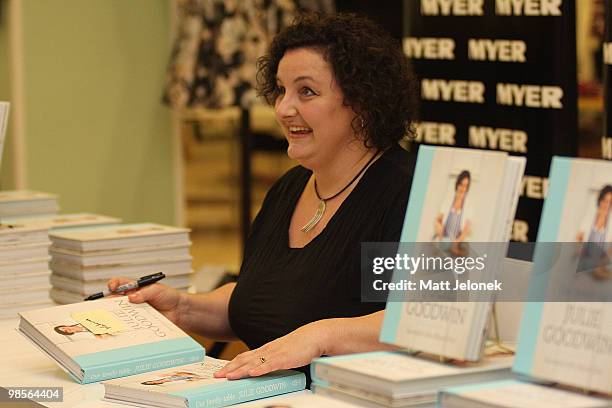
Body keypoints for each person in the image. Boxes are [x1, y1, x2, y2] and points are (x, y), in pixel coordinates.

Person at [109, 12, 417, 384]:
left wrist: (319, 337)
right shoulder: (289, 189)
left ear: (363, 101)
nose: (284, 109)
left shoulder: (413, 192)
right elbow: (263, 300)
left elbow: (428, 319)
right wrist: (185, 307)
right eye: (282, 90)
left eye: (306, 91)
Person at [576, 184, 611, 280]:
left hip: (600, 263)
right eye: (605, 200)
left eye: (610, 202)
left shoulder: (610, 224)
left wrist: (601, 261)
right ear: (600, 200)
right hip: (584, 259)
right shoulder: (589, 217)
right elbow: (579, 238)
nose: (606, 205)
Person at [433, 170, 472, 256]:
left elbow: (466, 229)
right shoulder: (447, 200)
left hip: (456, 244)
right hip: (444, 239)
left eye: (466, 186)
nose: (463, 189)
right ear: (457, 184)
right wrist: (439, 230)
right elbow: (438, 220)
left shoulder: (468, 205)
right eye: (461, 185)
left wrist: (456, 243)